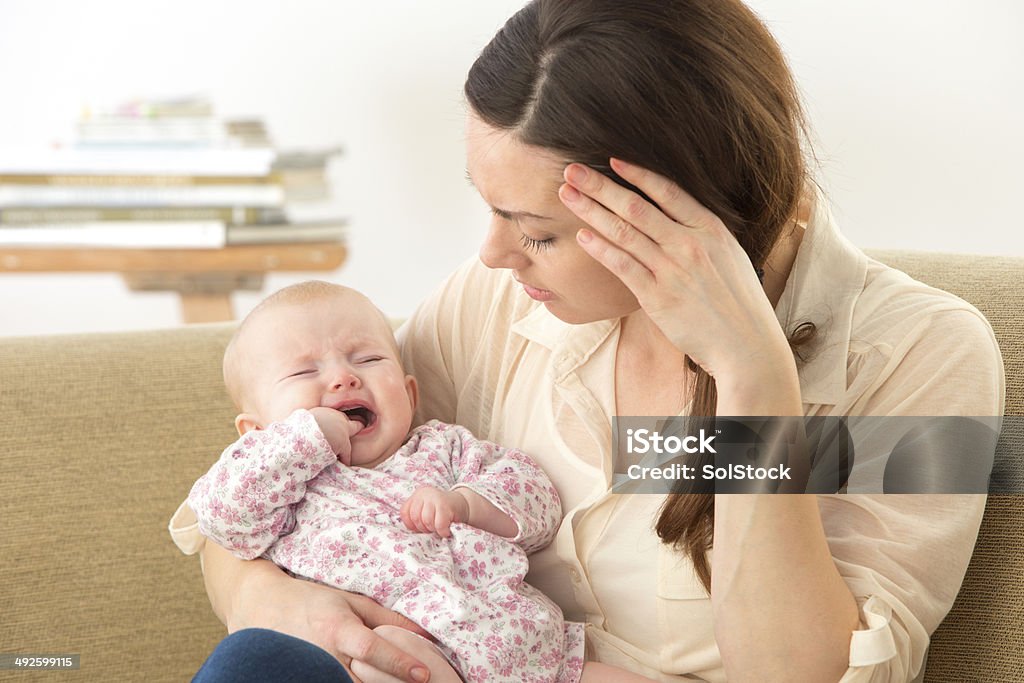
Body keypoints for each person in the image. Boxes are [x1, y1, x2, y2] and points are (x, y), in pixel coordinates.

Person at [170, 1, 1005, 681]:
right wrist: (282, 608)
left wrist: (753, 380)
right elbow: (240, 511)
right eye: (491, 210)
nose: (494, 255)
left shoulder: (920, 354)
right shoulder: (499, 304)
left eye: (534, 232)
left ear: (676, 217)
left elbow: (800, 675)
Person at [178, 281, 654, 683]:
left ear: (410, 393)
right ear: (256, 431)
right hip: (402, 651)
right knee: (379, 661)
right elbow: (222, 519)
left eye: (366, 359)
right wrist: (301, 442)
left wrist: (468, 503)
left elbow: (533, 494)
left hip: (526, 650)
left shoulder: (445, 448)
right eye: (305, 372)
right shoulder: (278, 484)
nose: (344, 378)